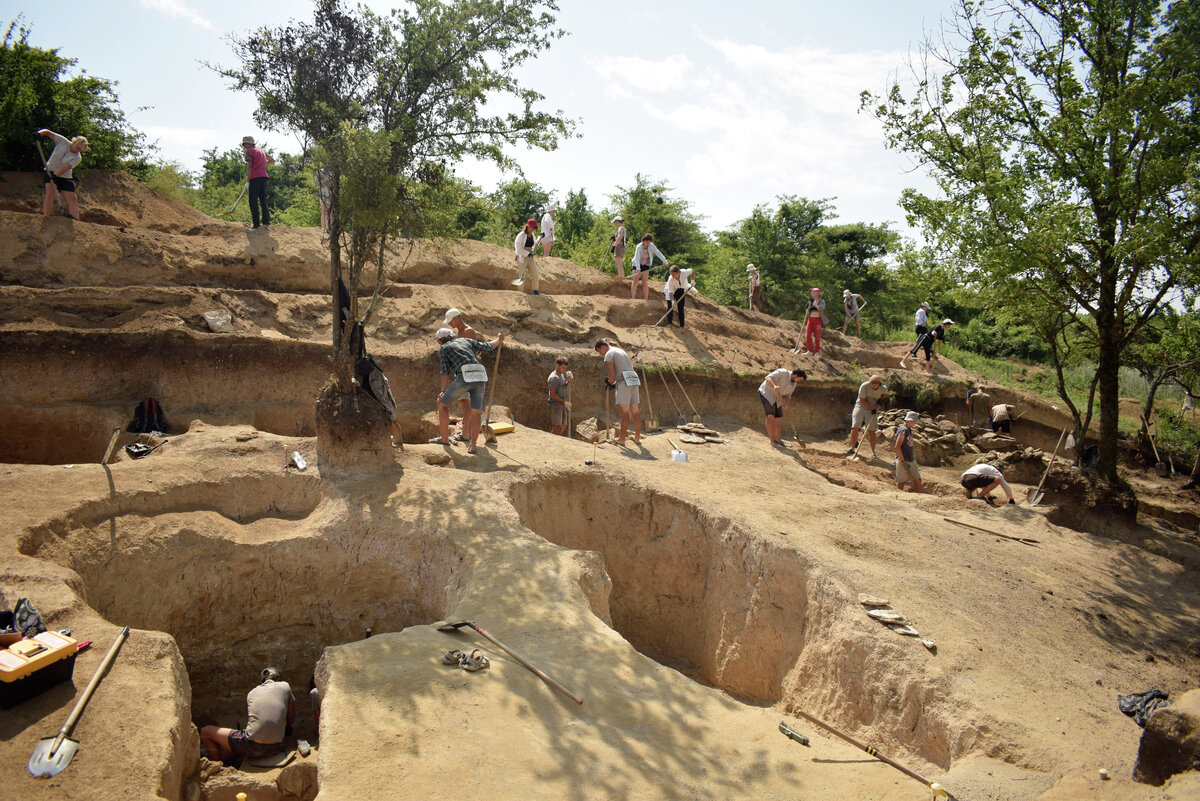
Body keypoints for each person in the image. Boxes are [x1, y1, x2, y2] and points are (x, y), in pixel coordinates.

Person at [200, 667, 295, 764]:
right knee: (239, 739)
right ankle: (225, 761)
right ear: (278, 679)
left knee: (206, 732)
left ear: (262, 681)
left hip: (252, 747)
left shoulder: (252, 693)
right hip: (278, 746)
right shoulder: (285, 686)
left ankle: (216, 769)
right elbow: (291, 718)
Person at [433, 327, 505, 454]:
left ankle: (444, 438)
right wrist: (499, 340)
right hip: (480, 375)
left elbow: (444, 372)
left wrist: (443, 391)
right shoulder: (466, 341)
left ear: (441, 340)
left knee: (442, 403)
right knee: (476, 413)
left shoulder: (444, 348)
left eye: (438, 341)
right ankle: (472, 446)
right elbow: (488, 346)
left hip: (465, 376)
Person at [595, 339, 641, 446]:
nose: (601, 354)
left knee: (624, 411)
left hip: (624, 382)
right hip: (633, 379)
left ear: (603, 347)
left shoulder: (609, 354)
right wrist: (614, 383)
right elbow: (623, 369)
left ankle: (621, 439)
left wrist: (609, 382)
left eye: (599, 351)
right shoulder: (620, 351)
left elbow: (612, 374)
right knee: (635, 411)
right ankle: (637, 438)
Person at [443, 308, 480, 440]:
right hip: (462, 371)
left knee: (466, 402)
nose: (449, 324)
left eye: (450, 321)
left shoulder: (469, 331)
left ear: (457, 318)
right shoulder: (458, 333)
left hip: (468, 371)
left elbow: (473, 352)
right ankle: (466, 432)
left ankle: (466, 433)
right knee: (464, 401)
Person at [37, 129, 88, 220]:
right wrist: (38, 134)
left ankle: (76, 222)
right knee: (50, 194)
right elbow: (47, 132)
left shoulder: (77, 158)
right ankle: (45, 217)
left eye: (80, 149)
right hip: (50, 170)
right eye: (78, 147)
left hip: (64, 176)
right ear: (74, 142)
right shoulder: (62, 141)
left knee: (72, 198)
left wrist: (55, 176)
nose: (78, 150)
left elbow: (66, 167)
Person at [758, 368, 806, 446]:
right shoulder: (782, 373)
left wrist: (786, 404)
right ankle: (772, 440)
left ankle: (778, 440)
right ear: (795, 375)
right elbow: (768, 378)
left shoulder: (794, 384)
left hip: (777, 398)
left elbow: (788, 396)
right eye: (799, 379)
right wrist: (774, 386)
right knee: (770, 416)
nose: (799, 381)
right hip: (767, 393)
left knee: (778, 418)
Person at [845, 375, 889, 460]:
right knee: (855, 426)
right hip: (861, 405)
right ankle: (852, 448)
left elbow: (883, 397)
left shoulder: (883, 388)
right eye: (872, 383)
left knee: (871, 430)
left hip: (873, 406)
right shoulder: (864, 386)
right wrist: (871, 409)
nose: (873, 385)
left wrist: (877, 407)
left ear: (879, 384)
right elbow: (862, 400)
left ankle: (873, 452)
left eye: (876, 384)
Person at [241, 136, 276, 230]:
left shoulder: (250, 151)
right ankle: (266, 222)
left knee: (253, 201)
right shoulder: (261, 150)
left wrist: (248, 180)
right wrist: (263, 165)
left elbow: (249, 166)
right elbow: (272, 160)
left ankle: (256, 224)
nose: (245, 146)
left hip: (255, 177)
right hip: (264, 177)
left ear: (249, 144)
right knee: (263, 200)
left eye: (245, 144)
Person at [629, 234, 668, 300]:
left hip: (646, 264)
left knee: (644, 281)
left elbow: (658, 252)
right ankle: (633, 298)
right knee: (635, 281)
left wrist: (664, 261)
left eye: (649, 242)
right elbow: (637, 258)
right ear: (643, 241)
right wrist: (638, 268)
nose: (648, 243)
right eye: (647, 242)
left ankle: (646, 299)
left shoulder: (651, 246)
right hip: (637, 264)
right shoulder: (639, 247)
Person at [894, 411, 923, 492]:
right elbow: (897, 447)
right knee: (902, 481)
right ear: (909, 420)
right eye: (914, 420)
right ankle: (899, 496)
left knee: (917, 478)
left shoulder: (908, 429)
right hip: (903, 459)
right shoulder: (903, 430)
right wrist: (902, 459)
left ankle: (918, 495)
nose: (915, 422)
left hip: (910, 458)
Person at [513, 219, 544, 295]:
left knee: (535, 274)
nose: (533, 229)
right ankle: (520, 293)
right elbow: (518, 247)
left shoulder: (532, 235)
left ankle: (535, 291)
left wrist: (540, 237)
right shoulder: (521, 235)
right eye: (532, 227)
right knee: (522, 275)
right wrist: (526, 253)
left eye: (534, 228)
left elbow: (534, 244)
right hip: (522, 256)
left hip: (530, 256)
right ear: (528, 226)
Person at [900, 302, 932, 368]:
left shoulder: (920, 311)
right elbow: (918, 319)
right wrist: (922, 324)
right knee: (925, 338)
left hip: (920, 327)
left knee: (922, 340)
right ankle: (915, 352)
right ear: (924, 306)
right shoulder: (921, 311)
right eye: (926, 308)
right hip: (920, 327)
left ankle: (916, 351)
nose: (927, 309)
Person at [548, 356, 571, 436]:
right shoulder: (554, 377)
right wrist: (564, 402)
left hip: (561, 404)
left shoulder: (561, 375)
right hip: (555, 404)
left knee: (563, 426)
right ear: (557, 365)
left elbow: (563, 387)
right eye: (563, 367)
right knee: (557, 426)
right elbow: (552, 395)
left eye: (565, 368)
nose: (564, 370)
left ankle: (556, 441)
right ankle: (551, 442)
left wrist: (567, 382)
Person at [802, 288, 827, 354]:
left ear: (817, 293)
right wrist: (808, 307)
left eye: (813, 292)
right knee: (808, 335)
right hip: (810, 319)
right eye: (811, 292)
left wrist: (814, 303)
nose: (811, 293)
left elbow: (821, 309)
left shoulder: (821, 301)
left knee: (817, 336)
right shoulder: (810, 302)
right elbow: (807, 313)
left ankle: (816, 352)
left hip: (818, 320)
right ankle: (809, 351)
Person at [315, 167, 332, 232]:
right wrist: (325, 180)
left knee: (331, 213)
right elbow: (317, 183)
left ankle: (330, 228)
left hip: (331, 193)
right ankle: (324, 228)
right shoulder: (319, 172)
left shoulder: (332, 173)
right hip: (323, 192)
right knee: (324, 211)